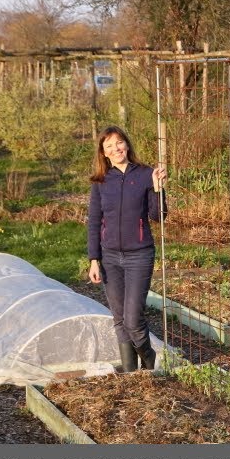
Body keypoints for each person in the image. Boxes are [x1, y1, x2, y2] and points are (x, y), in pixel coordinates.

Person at [87, 125, 168, 372]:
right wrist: (93, 259)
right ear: (103, 152)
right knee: (120, 320)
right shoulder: (100, 181)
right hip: (110, 257)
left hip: (139, 255)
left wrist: (158, 187)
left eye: (119, 142)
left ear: (127, 144)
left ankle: (150, 360)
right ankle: (131, 373)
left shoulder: (145, 174)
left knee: (133, 320)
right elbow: (93, 220)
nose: (116, 148)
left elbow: (159, 215)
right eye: (109, 146)